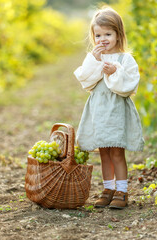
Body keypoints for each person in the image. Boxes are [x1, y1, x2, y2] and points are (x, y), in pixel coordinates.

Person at [73, 6, 144, 209]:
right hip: (99, 112)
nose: (102, 39)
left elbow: (128, 86)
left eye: (108, 34)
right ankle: (108, 188)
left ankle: (122, 191)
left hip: (117, 112)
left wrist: (115, 71)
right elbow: (86, 81)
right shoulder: (95, 58)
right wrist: (94, 61)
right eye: (98, 35)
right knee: (104, 152)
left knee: (116, 152)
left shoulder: (125, 59)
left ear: (118, 35)